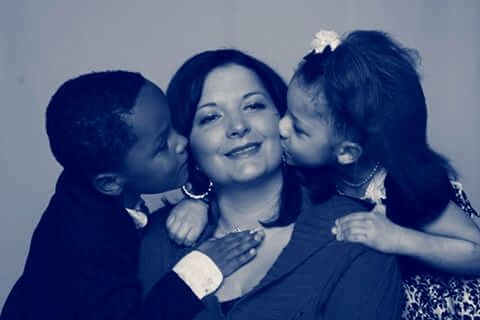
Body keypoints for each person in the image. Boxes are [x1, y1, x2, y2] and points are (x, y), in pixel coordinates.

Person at [139, 49, 404, 319]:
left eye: (253, 106)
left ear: (285, 118)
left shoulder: (357, 232)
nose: (237, 126)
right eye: (210, 117)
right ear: (185, 143)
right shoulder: (155, 242)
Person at [0, 71, 265, 320]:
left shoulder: (90, 175)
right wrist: (201, 268)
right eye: (163, 145)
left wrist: (199, 198)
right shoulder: (90, 240)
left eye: (173, 125)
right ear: (110, 183)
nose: (181, 142)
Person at [277, 30, 480, 319]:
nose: (281, 128)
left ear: (347, 152)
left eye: (298, 128)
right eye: (286, 112)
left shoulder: (406, 187)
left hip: (438, 303)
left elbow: (476, 251)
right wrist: (197, 198)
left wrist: (397, 238)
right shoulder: (310, 165)